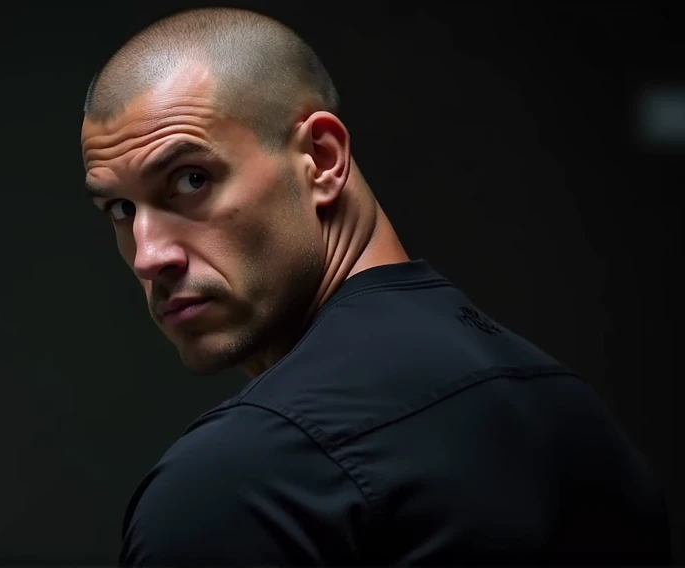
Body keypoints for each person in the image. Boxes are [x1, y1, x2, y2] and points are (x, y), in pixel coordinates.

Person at [79, 7, 671, 566]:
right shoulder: (572, 413)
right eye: (122, 210)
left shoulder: (236, 486)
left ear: (322, 157)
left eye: (191, 179)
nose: (149, 257)